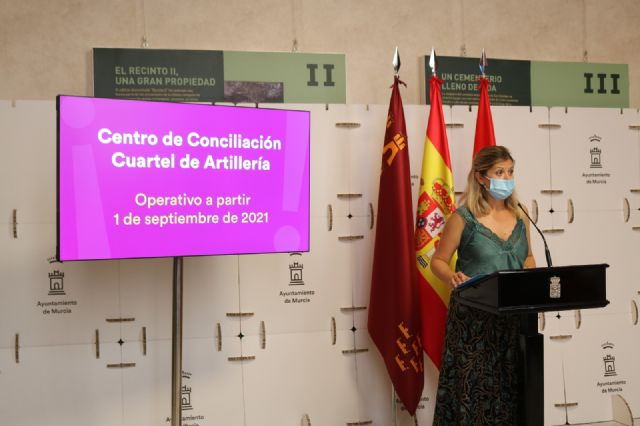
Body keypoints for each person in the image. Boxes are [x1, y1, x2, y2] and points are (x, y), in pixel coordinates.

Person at [430, 145, 536, 425]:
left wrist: (531, 280)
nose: (506, 178)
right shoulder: (463, 218)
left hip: (513, 318)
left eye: (510, 172)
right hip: (473, 322)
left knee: (511, 391)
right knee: (474, 394)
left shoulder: (521, 215)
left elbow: (528, 256)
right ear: (480, 177)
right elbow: (438, 261)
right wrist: (451, 277)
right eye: (499, 172)